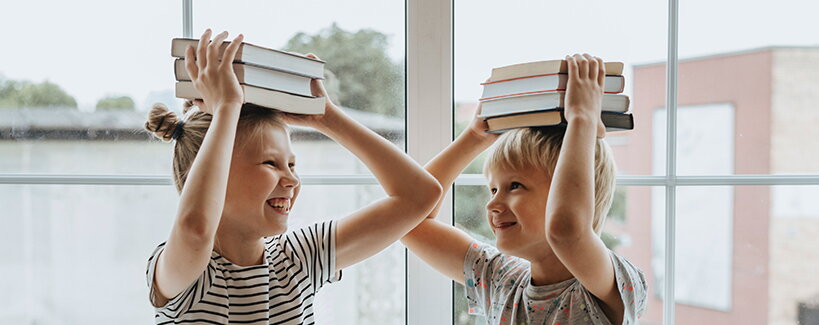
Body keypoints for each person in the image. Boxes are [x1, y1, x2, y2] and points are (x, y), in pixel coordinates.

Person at [143, 29, 441, 324]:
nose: (292, 181)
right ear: (214, 173)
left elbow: (420, 196)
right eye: (271, 163)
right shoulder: (186, 275)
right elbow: (196, 230)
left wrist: (327, 118)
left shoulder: (298, 257)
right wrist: (226, 109)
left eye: (293, 165)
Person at [401, 54, 647, 324]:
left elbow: (566, 231)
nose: (492, 205)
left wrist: (583, 120)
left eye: (514, 186)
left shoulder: (610, 283)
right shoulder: (501, 279)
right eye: (493, 190)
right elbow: (406, 220)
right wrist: (472, 139)